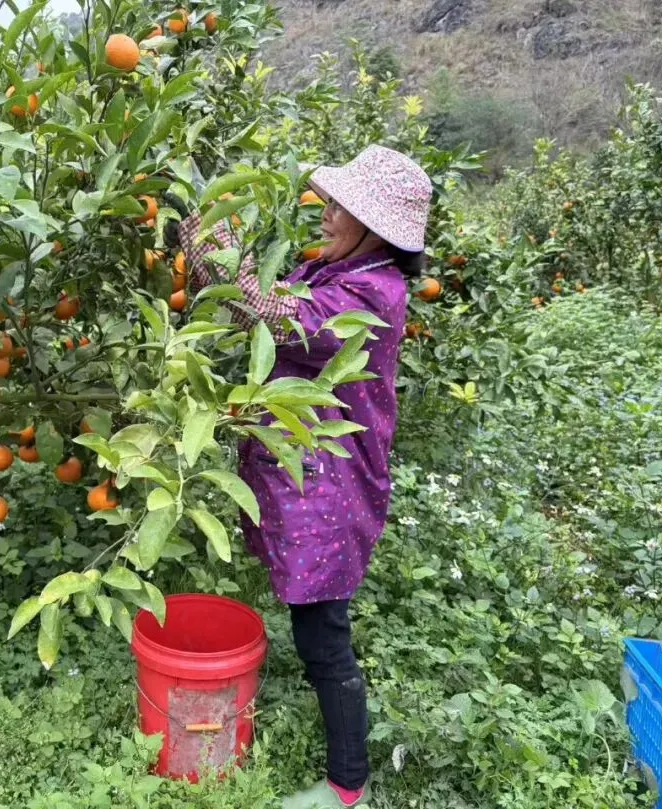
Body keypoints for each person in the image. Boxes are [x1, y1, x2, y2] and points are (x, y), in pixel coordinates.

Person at [174, 144, 432, 808]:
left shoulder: (373, 292)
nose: (327, 213)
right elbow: (264, 309)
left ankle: (348, 783)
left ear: (376, 228)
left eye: (342, 207)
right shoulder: (337, 268)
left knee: (324, 632)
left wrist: (217, 250)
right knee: (314, 612)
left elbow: (279, 320)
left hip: (332, 485)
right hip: (309, 475)